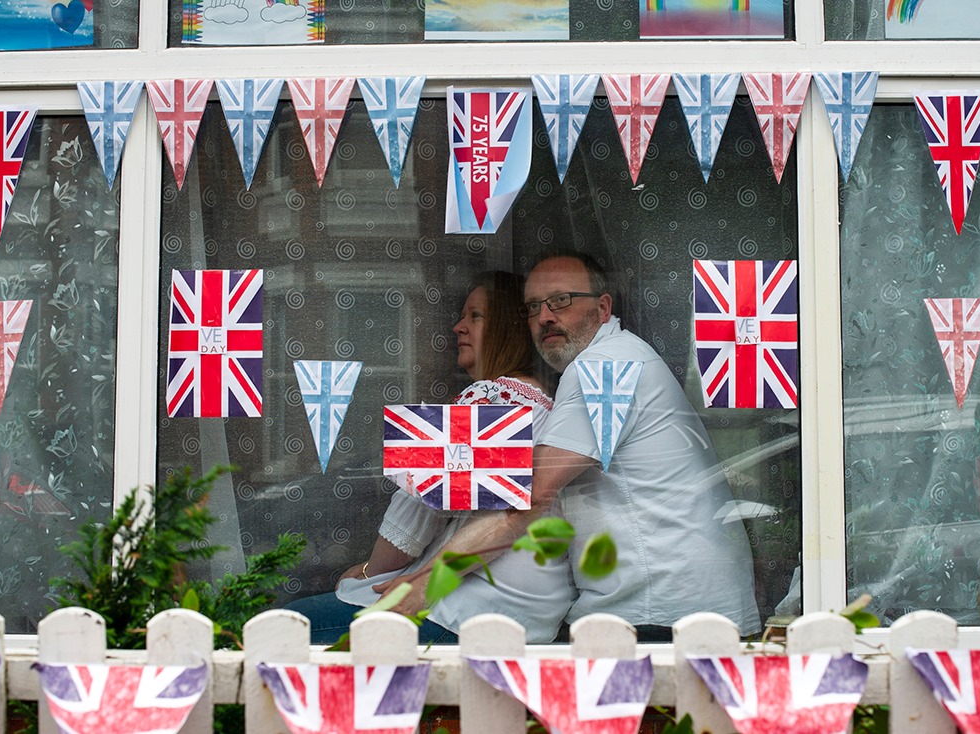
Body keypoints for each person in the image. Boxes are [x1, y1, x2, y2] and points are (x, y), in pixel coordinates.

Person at [377, 252, 760, 637]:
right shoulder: (616, 358)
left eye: (561, 300)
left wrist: (423, 585)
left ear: (603, 307)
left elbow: (528, 500)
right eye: (533, 307)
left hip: (662, 612)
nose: (545, 316)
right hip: (678, 607)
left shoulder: (604, 367)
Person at [287, 271, 575, 643]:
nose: (458, 327)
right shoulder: (540, 404)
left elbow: (419, 508)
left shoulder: (490, 400)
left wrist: (366, 571)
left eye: (475, 316)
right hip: (530, 611)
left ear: (507, 327)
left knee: (292, 624)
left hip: (469, 607)